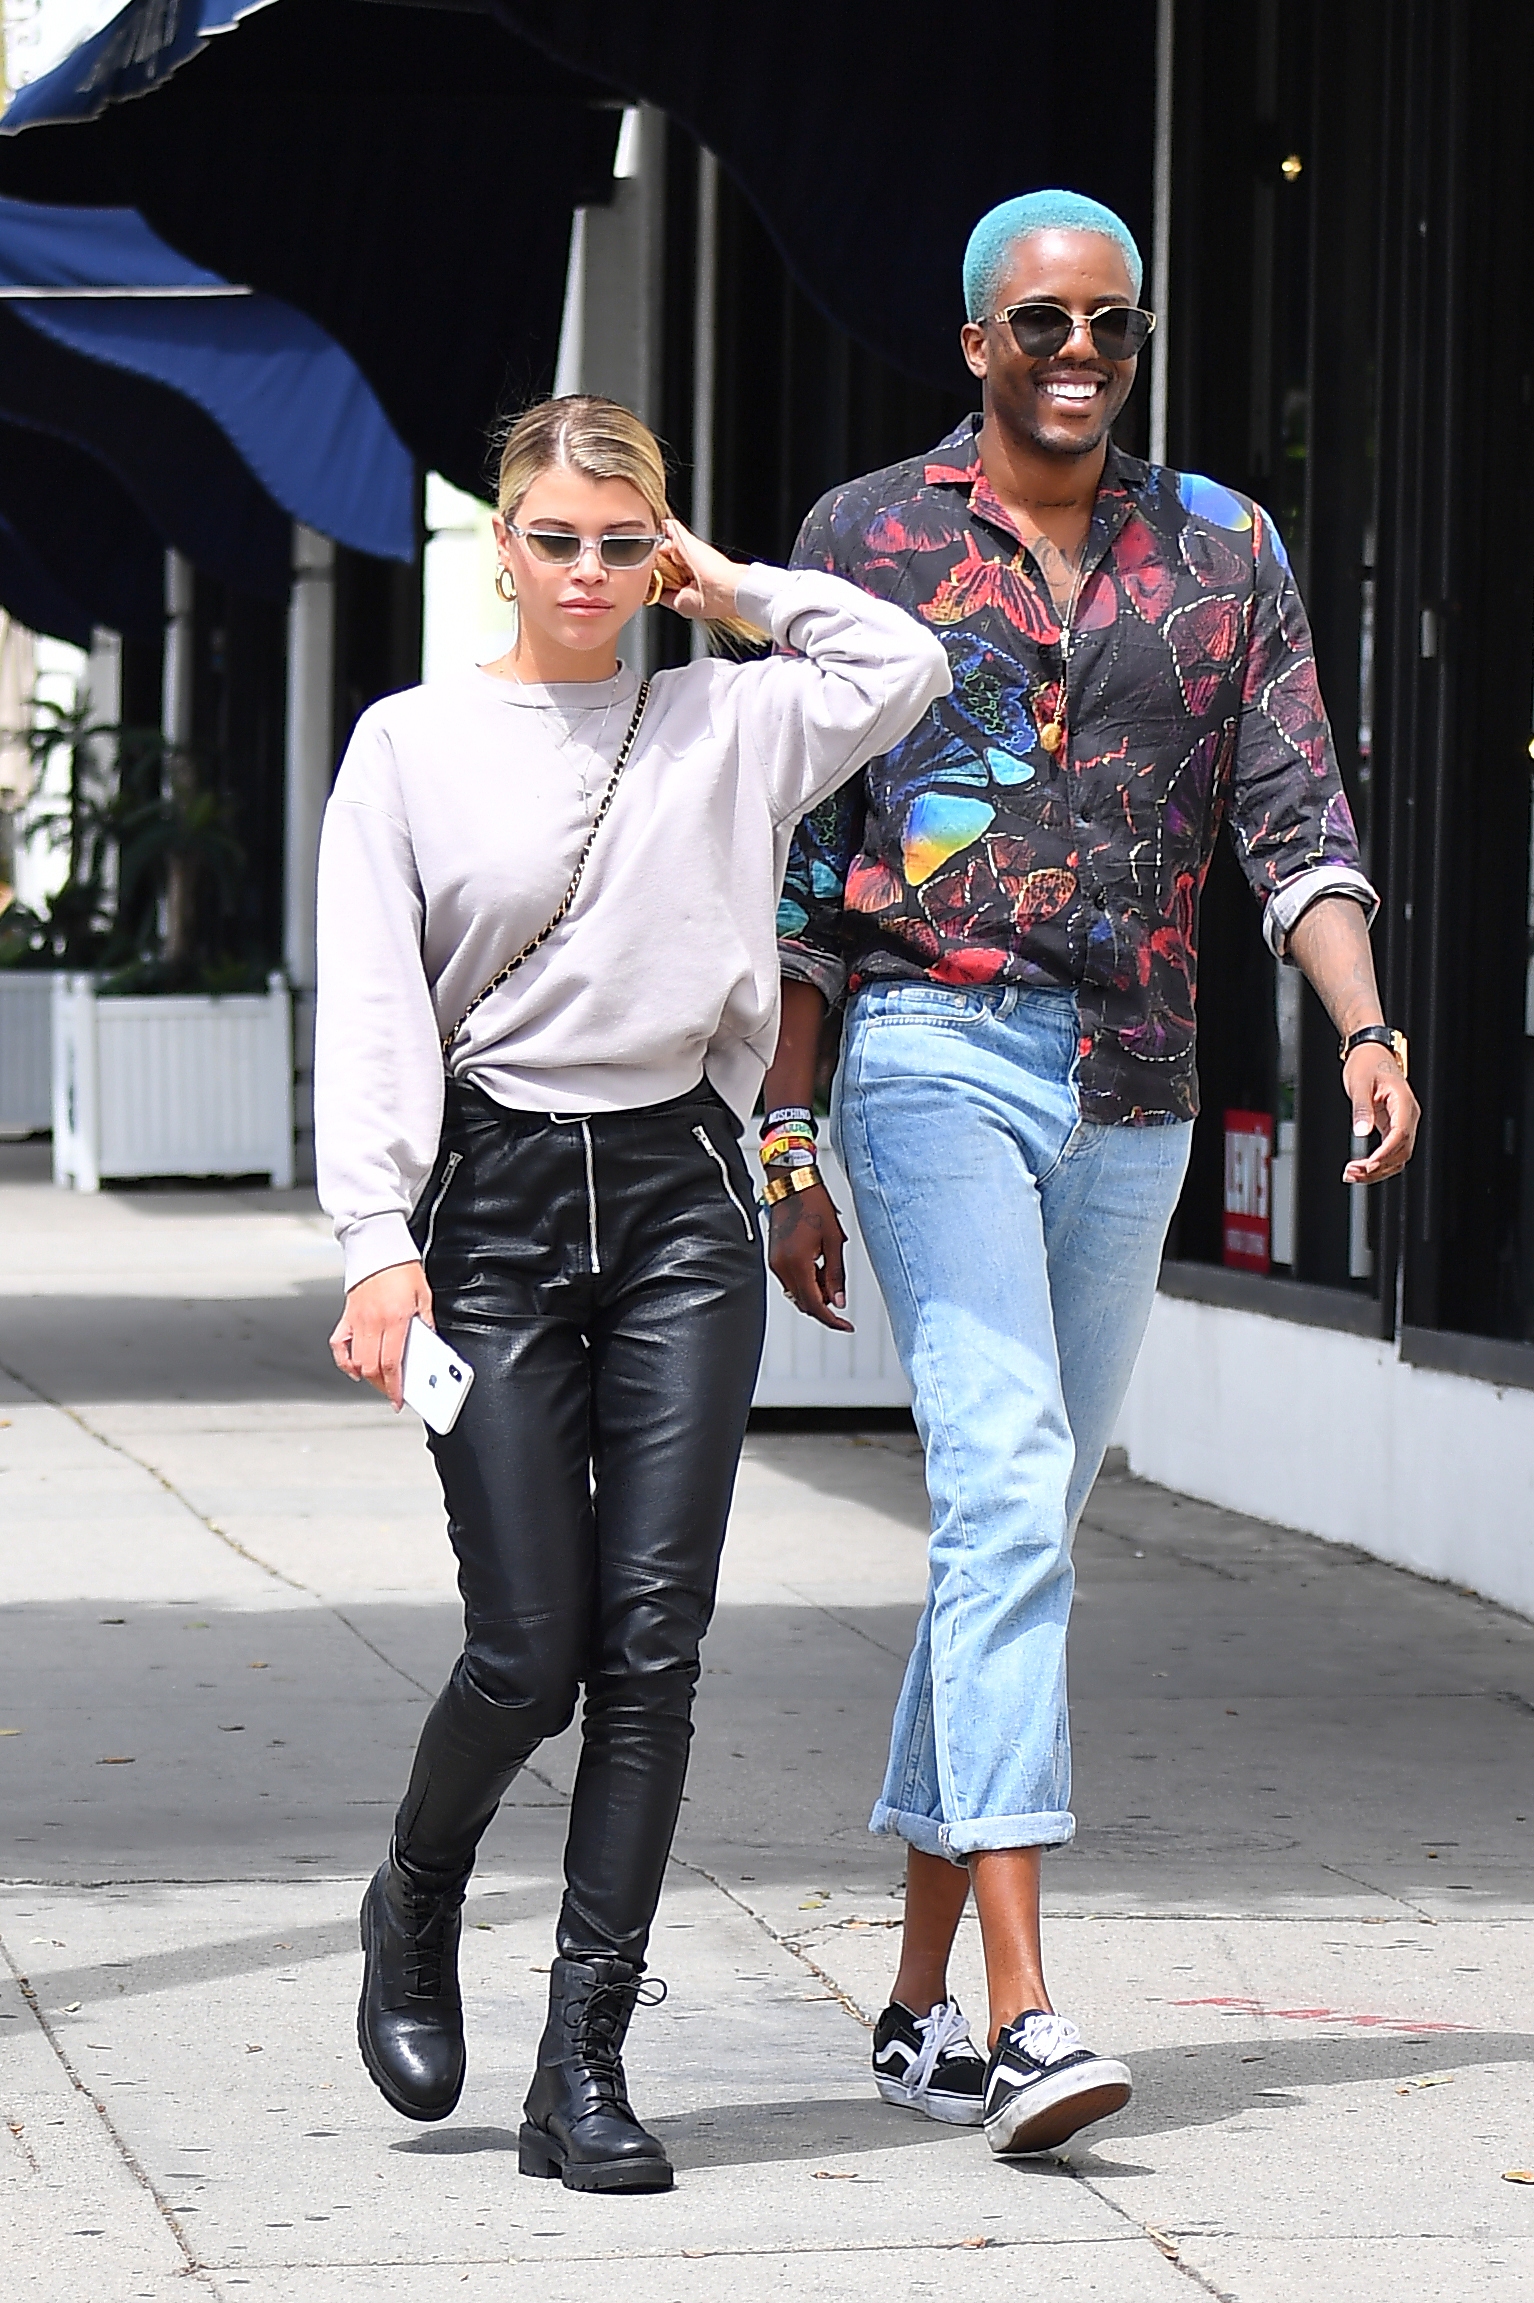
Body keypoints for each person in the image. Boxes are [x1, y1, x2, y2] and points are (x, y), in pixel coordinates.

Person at [764, 191, 1420, 2158]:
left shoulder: (1220, 548)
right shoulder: (860, 545)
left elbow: (1291, 819)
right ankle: (1023, 2016)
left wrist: (1362, 1022)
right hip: (925, 1059)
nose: (1077, 352)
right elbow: (808, 872)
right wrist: (782, 1137)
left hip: (1134, 1085)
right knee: (992, 1492)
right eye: (1040, 320)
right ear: (971, 340)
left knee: (1021, 1520)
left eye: (1109, 326)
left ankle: (900, 2003)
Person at [313, 394, 949, 2193]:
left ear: (652, 548)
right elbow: (371, 1004)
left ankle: (578, 2068)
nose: (586, 573)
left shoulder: (731, 713)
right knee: (528, 1651)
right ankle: (414, 1891)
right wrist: (377, 1241)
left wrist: (731, 586)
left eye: (620, 541)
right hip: (495, 1199)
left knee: (651, 1655)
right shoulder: (413, 743)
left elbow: (902, 660)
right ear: (500, 545)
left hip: (679, 1196)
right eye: (554, 539)